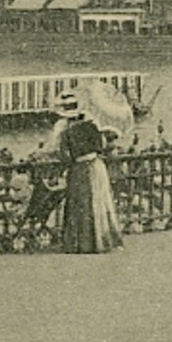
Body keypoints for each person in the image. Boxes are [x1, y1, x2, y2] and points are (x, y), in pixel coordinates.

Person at [55, 91, 123, 254]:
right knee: (99, 201)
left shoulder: (66, 133)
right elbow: (101, 146)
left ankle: (81, 243)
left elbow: (65, 157)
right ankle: (103, 239)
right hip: (96, 166)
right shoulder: (92, 126)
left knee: (80, 204)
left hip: (79, 168)